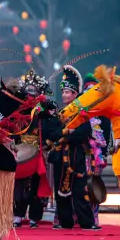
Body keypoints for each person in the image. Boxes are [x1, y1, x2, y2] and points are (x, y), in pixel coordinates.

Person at [44, 65, 101, 231]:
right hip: (61, 155)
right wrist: (67, 131)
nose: (64, 95)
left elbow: (83, 133)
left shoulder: (82, 114)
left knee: (79, 188)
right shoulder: (60, 113)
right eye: (63, 92)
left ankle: (86, 222)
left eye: (67, 92)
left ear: (75, 94)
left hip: (76, 154)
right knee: (61, 190)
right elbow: (52, 133)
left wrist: (66, 135)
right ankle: (65, 221)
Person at [13, 68, 51, 228]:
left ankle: (35, 216)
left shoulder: (43, 112)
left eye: (33, 94)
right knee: (18, 186)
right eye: (27, 93)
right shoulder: (18, 112)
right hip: (21, 152)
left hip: (37, 152)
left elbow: (51, 129)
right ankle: (17, 215)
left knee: (35, 186)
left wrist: (47, 144)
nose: (30, 97)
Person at [82, 73, 110, 226]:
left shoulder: (103, 112)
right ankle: (80, 216)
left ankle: (94, 217)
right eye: (87, 89)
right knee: (80, 185)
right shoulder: (79, 110)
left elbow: (107, 134)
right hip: (82, 154)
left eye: (94, 89)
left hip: (97, 156)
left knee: (94, 184)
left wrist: (104, 154)